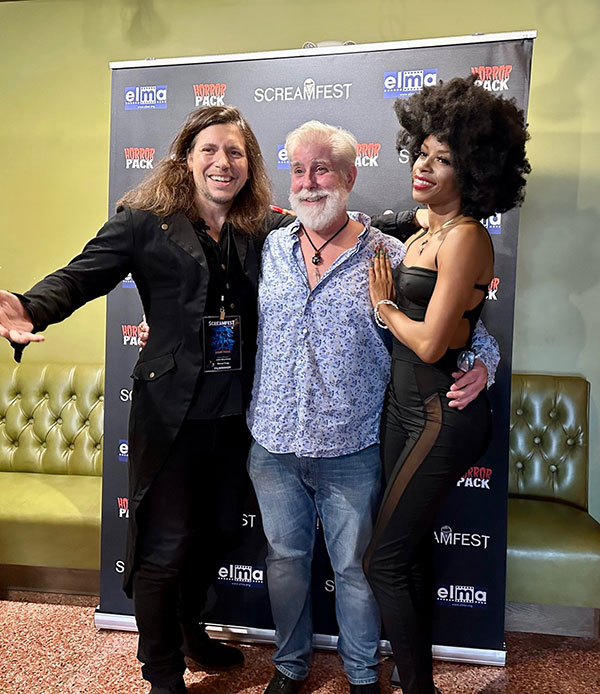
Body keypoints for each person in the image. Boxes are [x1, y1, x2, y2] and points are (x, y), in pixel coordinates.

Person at [0, 105, 296, 694]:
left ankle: (191, 630)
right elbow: (81, 276)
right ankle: (161, 673)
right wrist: (30, 307)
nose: (222, 162)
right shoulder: (143, 221)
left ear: (249, 165)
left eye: (235, 152)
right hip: (171, 415)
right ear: (186, 158)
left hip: (239, 414)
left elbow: (331, 231)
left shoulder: (262, 226)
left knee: (217, 533)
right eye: (209, 149)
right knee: (164, 548)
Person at [246, 120, 500, 694]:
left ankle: (363, 675)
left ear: (350, 176)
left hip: (353, 445)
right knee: (285, 563)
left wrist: (487, 363)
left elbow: (462, 322)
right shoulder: (270, 248)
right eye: (299, 170)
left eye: (323, 169)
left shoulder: (388, 252)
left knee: (358, 571)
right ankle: (289, 667)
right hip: (273, 444)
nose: (310, 183)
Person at [363, 77, 530, 694]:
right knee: (406, 557)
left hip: (442, 412)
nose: (425, 168)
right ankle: (415, 678)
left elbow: (434, 343)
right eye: (422, 154)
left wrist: (385, 307)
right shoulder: (419, 231)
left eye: (444, 161)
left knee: (381, 562)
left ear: (477, 173)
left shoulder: (466, 238)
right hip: (401, 410)